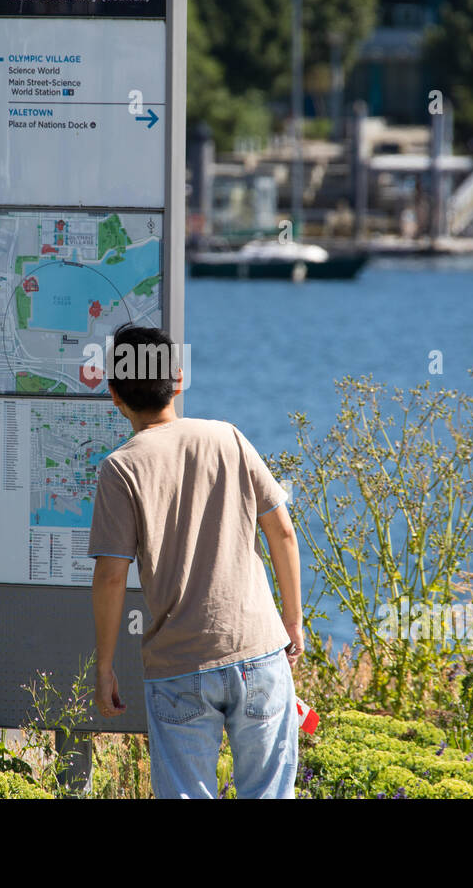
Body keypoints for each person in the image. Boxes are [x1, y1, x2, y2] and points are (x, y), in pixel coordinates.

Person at [88, 323, 305, 798]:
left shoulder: (121, 468)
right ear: (178, 379)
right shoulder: (228, 437)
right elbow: (283, 532)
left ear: (115, 395)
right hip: (260, 650)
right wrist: (293, 621)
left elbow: (109, 577)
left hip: (179, 664)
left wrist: (104, 668)